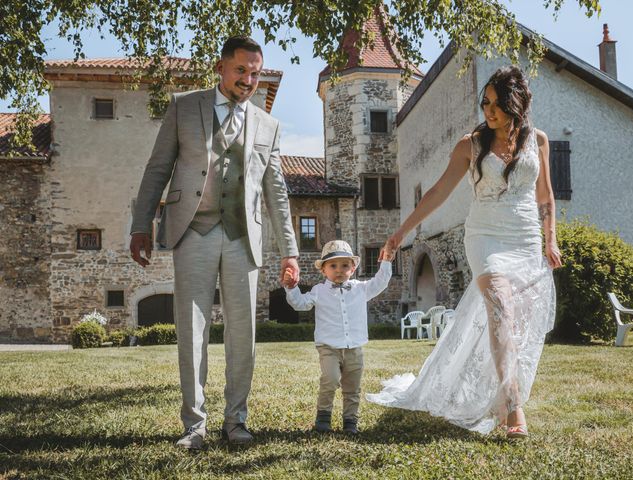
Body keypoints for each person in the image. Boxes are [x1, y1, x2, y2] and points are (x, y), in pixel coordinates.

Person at [367, 65, 562, 438]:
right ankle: (512, 406)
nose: (488, 111)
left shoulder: (538, 140)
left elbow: (545, 195)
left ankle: (499, 389)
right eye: (484, 103)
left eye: (497, 104)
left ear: (516, 103)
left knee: (514, 324)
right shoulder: (470, 145)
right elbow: (438, 192)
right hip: (485, 235)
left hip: (524, 237)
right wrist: (400, 233)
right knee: (500, 307)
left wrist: (550, 239)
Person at [129, 36, 299, 448]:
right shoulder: (183, 107)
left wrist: (290, 251)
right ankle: (195, 425)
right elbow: (157, 169)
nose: (248, 79)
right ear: (221, 68)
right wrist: (140, 225)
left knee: (244, 332)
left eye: (256, 73)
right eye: (241, 70)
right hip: (193, 230)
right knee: (192, 328)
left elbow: (276, 191)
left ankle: (236, 420)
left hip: (243, 237)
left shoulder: (268, 125)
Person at [282, 240, 393, 434]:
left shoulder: (361, 289)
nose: (339, 270)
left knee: (353, 387)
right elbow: (300, 303)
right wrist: (291, 288)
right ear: (324, 270)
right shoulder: (319, 291)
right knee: (330, 379)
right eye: (333, 265)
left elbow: (380, 282)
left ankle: (350, 421)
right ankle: (323, 417)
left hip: (354, 347)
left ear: (353, 268)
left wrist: (386, 262)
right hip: (328, 347)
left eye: (345, 265)